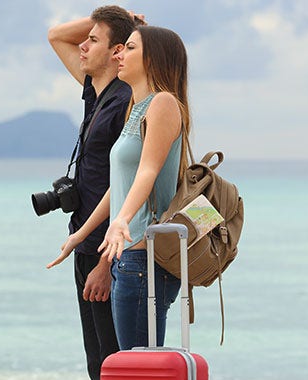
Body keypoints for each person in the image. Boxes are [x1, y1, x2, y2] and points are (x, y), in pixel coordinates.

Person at [54, 25, 191, 351]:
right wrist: (81, 234)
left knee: (137, 365)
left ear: (152, 58)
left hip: (145, 257)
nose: (119, 54)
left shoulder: (163, 103)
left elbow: (148, 171)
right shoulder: (135, 107)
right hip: (128, 258)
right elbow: (119, 186)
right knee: (130, 364)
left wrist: (122, 221)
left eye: (129, 48)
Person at [44, 6, 143, 379]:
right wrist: (118, 17)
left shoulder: (126, 101)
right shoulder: (97, 92)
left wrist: (104, 265)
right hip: (86, 242)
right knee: (96, 363)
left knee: (113, 360)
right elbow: (56, 35)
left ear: (116, 52)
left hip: (110, 251)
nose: (82, 46)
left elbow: (128, 184)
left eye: (93, 40)